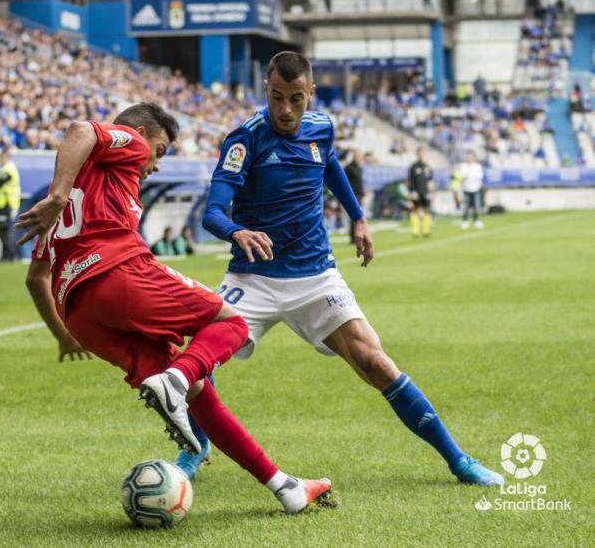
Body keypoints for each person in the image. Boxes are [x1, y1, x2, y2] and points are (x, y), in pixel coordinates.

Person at [202, 51, 503, 487]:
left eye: (295, 99)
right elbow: (212, 211)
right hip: (252, 277)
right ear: (265, 90)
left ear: (311, 94)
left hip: (315, 275)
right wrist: (235, 232)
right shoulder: (244, 139)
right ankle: (194, 448)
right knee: (197, 362)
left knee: (374, 361)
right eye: (276, 97)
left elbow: (329, 166)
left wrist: (358, 216)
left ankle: (459, 460)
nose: (284, 110)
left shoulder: (321, 127)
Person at [15, 101, 332, 513]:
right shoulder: (128, 143)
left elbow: (35, 279)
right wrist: (57, 197)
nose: (156, 164)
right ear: (142, 135)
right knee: (233, 323)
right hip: (118, 273)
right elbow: (80, 129)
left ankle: (283, 486)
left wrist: (64, 337)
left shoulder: (77, 187)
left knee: (201, 393)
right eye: (160, 151)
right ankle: (175, 380)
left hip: (79, 312)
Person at [0, 147, 21, 262]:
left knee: (5, 230)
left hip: (6, 203)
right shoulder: (5, 168)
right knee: (5, 230)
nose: (0, 159)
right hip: (4, 203)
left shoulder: (9, 168)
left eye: (1, 157)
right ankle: (7, 255)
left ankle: (9, 256)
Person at [407, 146, 433, 238]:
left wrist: (431, 189)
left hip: (425, 192)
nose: (421, 155)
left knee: (426, 210)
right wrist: (412, 191)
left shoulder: (427, 167)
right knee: (415, 210)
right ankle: (415, 231)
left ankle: (426, 230)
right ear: (417, 154)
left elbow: (430, 180)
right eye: (420, 153)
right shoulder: (413, 167)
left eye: (423, 153)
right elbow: (410, 180)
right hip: (416, 192)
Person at [343, 149, 365, 244]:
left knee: (359, 217)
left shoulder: (359, 168)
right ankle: (353, 237)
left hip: (359, 195)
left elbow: (360, 183)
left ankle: (358, 235)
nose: (359, 158)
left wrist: (363, 195)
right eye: (357, 156)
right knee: (355, 217)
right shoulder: (348, 168)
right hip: (353, 195)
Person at [460, 151, 485, 229]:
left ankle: (476, 220)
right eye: (468, 156)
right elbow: (462, 175)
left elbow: (479, 176)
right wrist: (469, 176)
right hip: (466, 188)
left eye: (471, 156)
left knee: (476, 206)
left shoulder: (477, 166)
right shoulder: (463, 166)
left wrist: (469, 176)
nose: (470, 158)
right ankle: (465, 221)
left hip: (476, 188)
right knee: (466, 206)